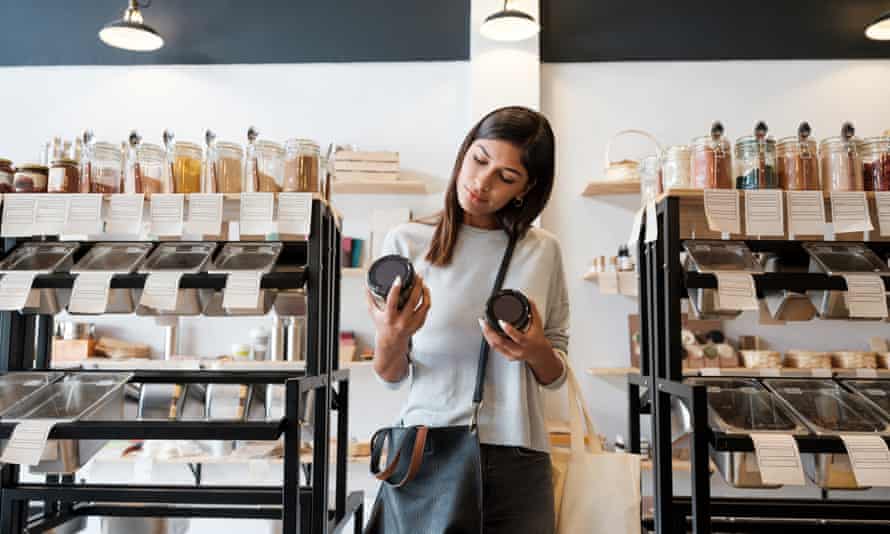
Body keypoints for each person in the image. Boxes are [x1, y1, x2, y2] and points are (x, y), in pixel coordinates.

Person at [367, 106, 569, 533]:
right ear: (464, 152)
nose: (481, 183)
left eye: (506, 177)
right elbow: (389, 375)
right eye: (479, 160)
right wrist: (392, 337)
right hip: (427, 450)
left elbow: (555, 375)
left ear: (525, 189)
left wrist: (535, 350)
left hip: (518, 455)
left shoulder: (542, 251)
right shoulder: (407, 243)